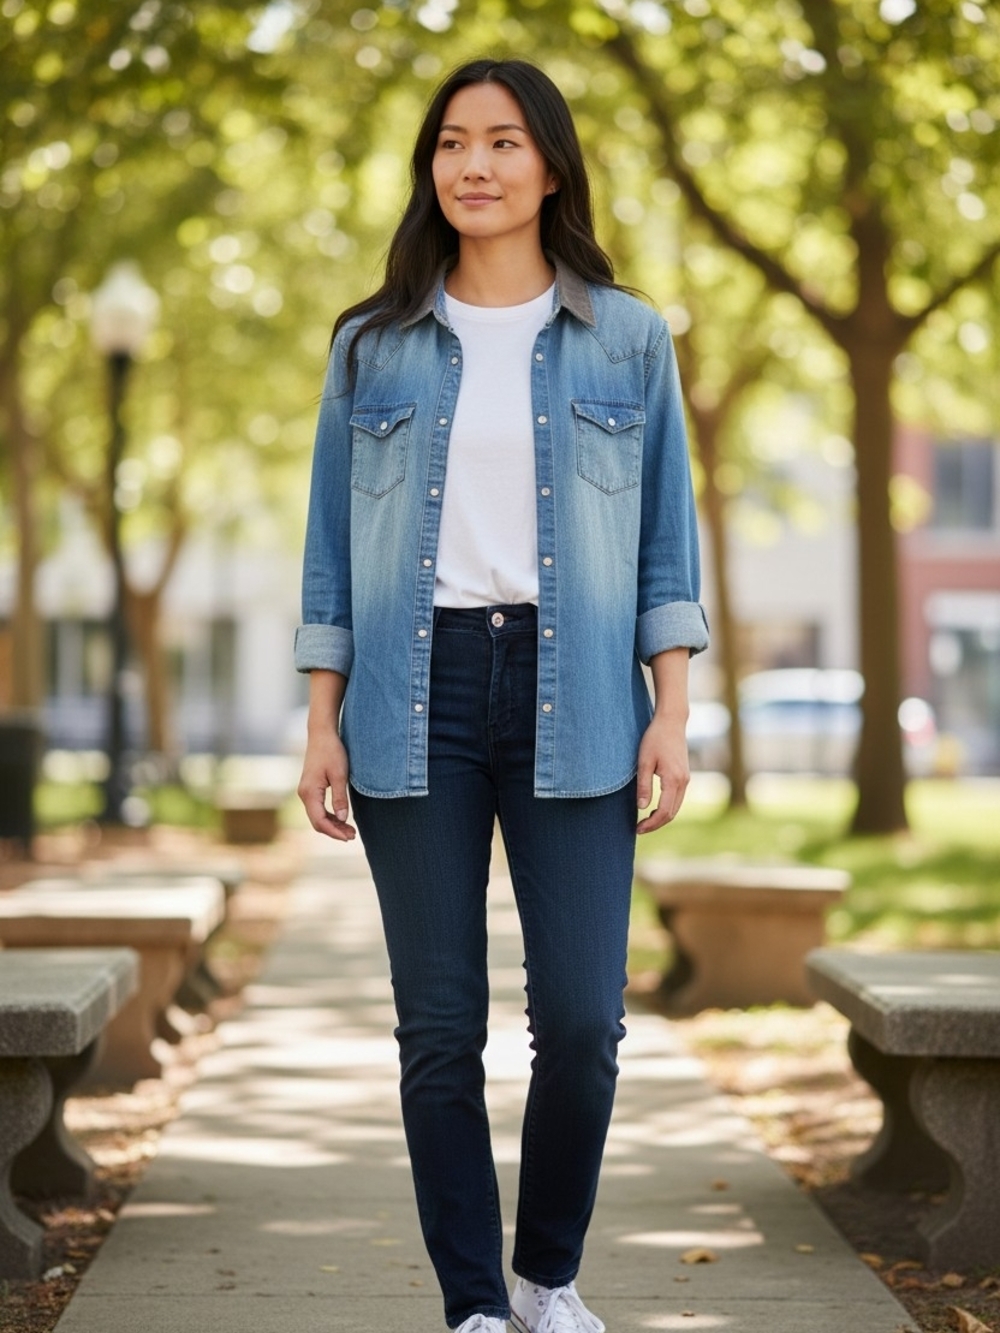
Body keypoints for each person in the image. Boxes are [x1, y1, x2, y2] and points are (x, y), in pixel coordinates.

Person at [295, 57, 709, 1333]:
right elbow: (325, 547)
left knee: (583, 1021)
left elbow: (662, 543)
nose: (473, 164)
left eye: (503, 141)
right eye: (452, 143)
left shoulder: (626, 336)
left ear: (549, 165)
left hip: (578, 686)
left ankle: (547, 1276)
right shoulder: (370, 345)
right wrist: (319, 714)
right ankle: (474, 1305)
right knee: (439, 1029)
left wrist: (673, 708)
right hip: (412, 694)